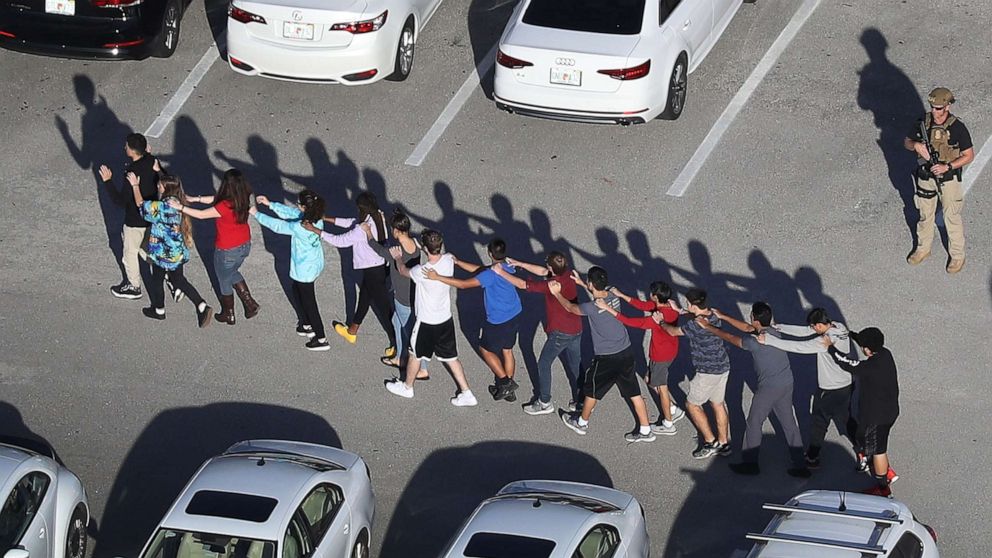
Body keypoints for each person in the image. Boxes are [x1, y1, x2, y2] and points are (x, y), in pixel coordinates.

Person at [697, 303, 810, 477]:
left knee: (754, 422)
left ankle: (750, 463)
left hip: (769, 388)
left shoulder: (753, 342)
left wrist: (708, 327)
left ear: (755, 319)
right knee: (789, 422)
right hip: (787, 383)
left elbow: (731, 338)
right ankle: (800, 464)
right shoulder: (772, 332)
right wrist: (724, 316)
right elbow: (748, 328)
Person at [554, 267, 656, 443]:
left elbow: (571, 307)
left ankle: (581, 423)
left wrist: (556, 293)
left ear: (591, 283)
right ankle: (646, 430)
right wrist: (582, 284)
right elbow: (598, 296)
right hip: (626, 350)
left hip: (607, 357)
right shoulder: (612, 295)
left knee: (592, 390)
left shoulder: (591, 307)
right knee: (634, 392)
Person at [384, 229, 477, 407]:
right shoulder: (449, 259)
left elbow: (403, 271)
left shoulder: (422, 271)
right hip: (445, 319)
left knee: (414, 354)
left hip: (426, 322)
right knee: (451, 357)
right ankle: (467, 392)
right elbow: (442, 256)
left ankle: (407, 387)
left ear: (425, 248)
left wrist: (397, 257)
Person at [426, 238, 523, 402]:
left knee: (485, 349)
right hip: (514, 313)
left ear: (490, 253)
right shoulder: (506, 266)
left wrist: (438, 277)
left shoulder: (491, 274)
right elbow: (480, 270)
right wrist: (458, 262)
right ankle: (508, 389)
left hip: (498, 319)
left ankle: (506, 383)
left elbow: (464, 284)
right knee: (507, 350)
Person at [759, 308, 854, 468]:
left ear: (818, 325)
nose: (812, 329)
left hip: (829, 389)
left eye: (813, 327)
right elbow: (805, 331)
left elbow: (799, 347)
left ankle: (812, 457)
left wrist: (769, 340)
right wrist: (780, 327)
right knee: (847, 419)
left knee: (819, 423)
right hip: (846, 385)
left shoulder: (825, 341)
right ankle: (865, 450)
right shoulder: (839, 327)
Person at [491, 252, 583, 415]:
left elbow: (522, 284)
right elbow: (543, 272)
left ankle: (545, 402)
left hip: (560, 332)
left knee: (544, 364)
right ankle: (581, 400)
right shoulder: (567, 274)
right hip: (576, 328)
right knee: (576, 364)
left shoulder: (552, 285)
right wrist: (520, 263)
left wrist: (500, 272)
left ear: (551, 267)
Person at [168, 169, 258, 324]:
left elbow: (202, 215)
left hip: (227, 249)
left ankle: (228, 313)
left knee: (224, 280)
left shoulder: (224, 205)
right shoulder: (242, 197)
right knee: (231, 272)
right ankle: (249, 303)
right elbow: (216, 199)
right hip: (244, 244)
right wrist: (195, 199)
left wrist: (180, 207)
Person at [905, 87, 976, 273]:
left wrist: (948, 166)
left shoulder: (957, 127)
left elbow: (968, 155)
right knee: (925, 214)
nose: (935, 111)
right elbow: (907, 142)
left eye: (939, 108)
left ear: (948, 107)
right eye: (933, 107)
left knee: (951, 216)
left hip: (948, 178)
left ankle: (957, 256)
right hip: (925, 176)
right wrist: (917, 146)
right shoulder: (923, 123)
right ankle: (923, 248)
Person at [822, 327, 900, 496]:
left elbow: (846, 363)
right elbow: (867, 343)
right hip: (890, 411)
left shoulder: (869, 367)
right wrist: (852, 335)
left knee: (878, 450)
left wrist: (830, 347)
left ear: (867, 349)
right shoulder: (886, 354)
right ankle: (885, 470)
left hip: (876, 417)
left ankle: (882, 487)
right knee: (877, 441)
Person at [129, 172, 212, 327]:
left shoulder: (163, 206)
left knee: (157, 280)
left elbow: (141, 205)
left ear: (165, 188)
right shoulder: (176, 201)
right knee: (179, 280)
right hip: (177, 252)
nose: (157, 185)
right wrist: (158, 169)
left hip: (163, 253)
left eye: (160, 184)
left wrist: (135, 185)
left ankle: (159, 309)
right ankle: (201, 305)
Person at [320, 193, 397, 356]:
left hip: (372, 270)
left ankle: (397, 343)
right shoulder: (378, 215)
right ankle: (352, 330)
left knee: (385, 309)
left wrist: (317, 231)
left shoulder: (362, 229)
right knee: (364, 298)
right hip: (380, 266)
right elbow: (353, 223)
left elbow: (339, 241)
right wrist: (328, 219)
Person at [659, 288, 731, 458]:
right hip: (722, 366)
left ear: (692, 304)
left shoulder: (694, 325)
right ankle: (723, 443)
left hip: (707, 372)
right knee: (718, 404)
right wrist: (680, 311)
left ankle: (710, 442)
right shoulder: (712, 314)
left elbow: (673, 331)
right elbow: (697, 315)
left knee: (692, 405)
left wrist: (661, 321)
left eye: (687, 303)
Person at [253, 191, 329, 351]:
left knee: (310, 304)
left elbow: (278, 226)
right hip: (313, 264)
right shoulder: (316, 217)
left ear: (303, 207)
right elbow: (292, 213)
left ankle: (321, 338)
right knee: (295, 290)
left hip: (304, 271)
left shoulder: (299, 227)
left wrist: (255, 213)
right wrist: (270, 204)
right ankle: (306, 324)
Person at [608, 282, 686, 434]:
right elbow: (643, 305)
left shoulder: (656, 318)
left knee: (662, 388)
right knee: (650, 380)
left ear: (656, 297)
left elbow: (631, 321)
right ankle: (671, 408)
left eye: (651, 294)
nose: (649, 296)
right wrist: (621, 295)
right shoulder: (670, 307)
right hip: (670, 351)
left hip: (660, 356)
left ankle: (669, 423)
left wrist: (608, 309)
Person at [361, 210, 427, 377]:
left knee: (412, 333)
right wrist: (383, 222)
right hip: (414, 294)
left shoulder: (395, 252)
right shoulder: (414, 244)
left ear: (396, 231)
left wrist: (368, 232)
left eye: (392, 229)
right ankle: (399, 357)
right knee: (396, 322)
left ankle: (422, 369)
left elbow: (376, 247)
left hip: (403, 298)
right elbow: (391, 246)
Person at [99, 132, 158, 300]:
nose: (124, 147)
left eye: (126, 146)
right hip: (151, 215)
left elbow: (120, 201)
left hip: (135, 220)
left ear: (132, 151)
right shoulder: (152, 162)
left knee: (130, 253)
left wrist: (107, 181)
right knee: (145, 247)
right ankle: (166, 270)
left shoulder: (132, 172)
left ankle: (133, 286)